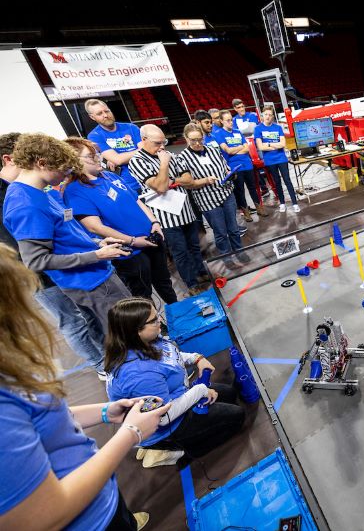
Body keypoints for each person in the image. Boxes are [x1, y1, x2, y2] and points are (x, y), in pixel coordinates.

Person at [0, 246, 166, 530]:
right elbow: (44, 515)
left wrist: (104, 412)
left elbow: (35, 420)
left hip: (99, 499)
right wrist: (131, 433)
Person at [2, 133, 131, 343]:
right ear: (42, 163)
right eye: (63, 170)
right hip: (89, 283)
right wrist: (96, 255)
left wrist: (96, 243)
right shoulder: (24, 203)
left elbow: (64, 234)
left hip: (96, 275)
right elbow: (36, 261)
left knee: (130, 330)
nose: (65, 176)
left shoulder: (37, 192)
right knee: (126, 338)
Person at [0, 132, 106, 378]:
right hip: (39, 273)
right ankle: (101, 364)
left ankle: (106, 357)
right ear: (9, 159)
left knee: (87, 315)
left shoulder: (34, 188)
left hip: (62, 263)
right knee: (71, 321)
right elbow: (21, 249)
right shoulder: (15, 197)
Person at [105, 297, 245, 467]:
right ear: (136, 331)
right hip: (166, 424)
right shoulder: (138, 375)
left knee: (230, 394)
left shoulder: (145, 340)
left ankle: (156, 446)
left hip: (175, 393)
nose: (160, 322)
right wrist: (200, 391)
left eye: (157, 315)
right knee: (237, 417)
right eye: (154, 320)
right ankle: (172, 449)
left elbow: (169, 356)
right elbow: (163, 417)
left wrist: (196, 358)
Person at [62, 137, 177, 304]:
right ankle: (155, 328)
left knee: (164, 282)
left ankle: (180, 315)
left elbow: (136, 200)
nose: (98, 158)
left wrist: (155, 222)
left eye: (97, 154)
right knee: (142, 296)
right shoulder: (74, 191)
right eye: (90, 156)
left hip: (151, 238)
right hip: (130, 252)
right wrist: (133, 241)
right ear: (74, 161)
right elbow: (95, 227)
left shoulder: (109, 176)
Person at [128, 125, 209, 296]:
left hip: (185, 209)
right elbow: (161, 186)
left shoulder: (171, 154)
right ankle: (191, 283)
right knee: (180, 252)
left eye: (164, 142)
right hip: (166, 216)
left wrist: (170, 179)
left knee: (194, 246)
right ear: (144, 140)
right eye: (157, 143)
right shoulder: (138, 160)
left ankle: (202, 274)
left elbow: (189, 179)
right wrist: (164, 165)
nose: (162, 147)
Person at [179, 123, 248, 270]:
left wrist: (230, 171)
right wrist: (205, 180)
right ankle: (226, 256)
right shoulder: (182, 158)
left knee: (234, 228)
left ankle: (239, 251)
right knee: (220, 232)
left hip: (226, 193)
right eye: (193, 140)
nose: (197, 143)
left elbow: (224, 165)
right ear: (186, 139)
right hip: (207, 199)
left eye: (199, 139)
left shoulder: (212, 150)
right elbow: (188, 184)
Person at [213, 110, 267, 221]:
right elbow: (227, 150)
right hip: (234, 167)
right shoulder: (218, 134)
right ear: (222, 121)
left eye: (231, 120)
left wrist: (235, 150)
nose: (231, 122)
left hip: (247, 164)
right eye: (227, 120)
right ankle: (246, 212)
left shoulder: (238, 131)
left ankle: (259, 208)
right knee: (240, 190)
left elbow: (247, 148)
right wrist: (239, 148)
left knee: (253, 187)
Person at [85, 99, 142, 194]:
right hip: (128, 186)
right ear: (92, 117)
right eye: (99, 113)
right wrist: (140, 151)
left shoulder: (131, 127)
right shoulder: (95, 135)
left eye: (107, 111)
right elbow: (118, 160)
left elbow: (147, 151)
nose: (105, 115)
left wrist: (119, 157)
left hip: (148, 177)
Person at [254, 106, 300, 212]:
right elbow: (260, 147)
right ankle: (282, 203)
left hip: (281, 159)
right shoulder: (258, 129)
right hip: (270, 160)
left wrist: (268, 144)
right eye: (266, 114)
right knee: (277, 182)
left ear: (273, 116)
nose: (268, 117)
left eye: (270, 115)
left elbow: (283, 144)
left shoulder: (278, 127)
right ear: (262, 115)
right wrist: (275, 144)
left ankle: (294, 203)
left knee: (287, 180)